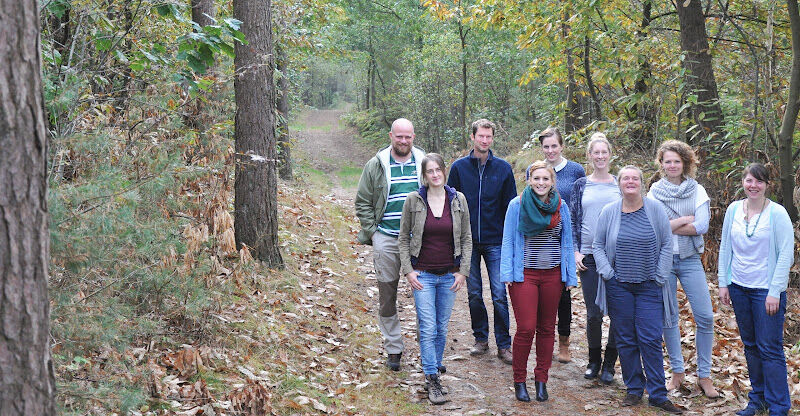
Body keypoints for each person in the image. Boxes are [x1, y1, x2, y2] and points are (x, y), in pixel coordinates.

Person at [593, 166, 683, 414]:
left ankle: (657, 394)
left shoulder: (655, 210)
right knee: (626, 338)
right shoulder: (609, 212)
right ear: (619, 184)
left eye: (635, 178)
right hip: (619, 286)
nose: (630, 182)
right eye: (625, 178)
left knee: (651, 339)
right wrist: (608, 274)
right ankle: (634, 389)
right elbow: (598, 245)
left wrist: (660, 276)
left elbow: (666, 243)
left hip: (649, 286)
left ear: (642, 183)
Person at [718, 163, 793, 416]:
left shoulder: (778, 213)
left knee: (769, 347)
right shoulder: (733, 210)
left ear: (767, 185)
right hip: (738, 287)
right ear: (743, 181)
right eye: (750, 180)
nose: (753, 186)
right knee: (750, 346)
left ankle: (779, 407)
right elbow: (725, 247)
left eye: (759, 181)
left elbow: (785, 255)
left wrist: (775, 291)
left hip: (766, 291)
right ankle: (757, 400)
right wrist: (723, 282)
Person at [397, 153, 472, 405]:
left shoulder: (458, 200)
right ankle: (432, 378)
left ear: (444, 171)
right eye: (430, 171)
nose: (435, 174)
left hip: (449, 275)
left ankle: (434, 364)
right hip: (424, 276)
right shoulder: (414, 200)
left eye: (438, 169)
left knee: (440, 327)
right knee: (428, 327)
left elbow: (466, 239)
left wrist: (462, 271)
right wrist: (408, 270)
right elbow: (403, 238)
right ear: (424, 175)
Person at [500, 160, 577, 402]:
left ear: (552, 182)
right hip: (525, 275)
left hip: (553, 274)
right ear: (529, 180)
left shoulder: (560, 206)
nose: (541, 183)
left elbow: (567, 241)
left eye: (546, 179)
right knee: (526, 328)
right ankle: (519, 380)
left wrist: (569, 275)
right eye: (536, 179)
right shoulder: (517, 204)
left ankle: (541, 380)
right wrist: (507, 274)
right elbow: (509, 240)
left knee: (546, 329)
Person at [647, 140, 718, 398]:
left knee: (706, 316)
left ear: (685, 163)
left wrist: (671, 223)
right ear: (662, 164)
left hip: (689, 260)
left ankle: (705, 375)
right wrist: (683, 220)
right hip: (663, 260)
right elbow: (654, 227)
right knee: (669, 317)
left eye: (677, 161)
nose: (673, 165)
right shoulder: (654, 190)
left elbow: (702, 226)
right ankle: (677, 371)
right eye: (668, 161)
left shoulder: (697, 190)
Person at [355, 118, 425, 371]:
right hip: (386, 238)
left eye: (408, 137)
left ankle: (427, 349)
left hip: (419, 241)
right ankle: (393, 348)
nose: (403, 141)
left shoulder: (424, 163)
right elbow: (362, 201)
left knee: (424, 295)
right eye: (399, 137)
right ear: (391, 136)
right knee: (387, 296)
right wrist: (373, 233)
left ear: (413, 137)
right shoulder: (376, 165)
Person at [448, 119, 517, 364]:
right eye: (481, 136)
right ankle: (480, 338)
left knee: (499, 293)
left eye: (489, 137)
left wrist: (511, 242)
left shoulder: (503, 168)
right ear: (473, 137)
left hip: (496, 240)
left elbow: (511, 207)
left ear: (492, 139)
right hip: (468, 241)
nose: (485, 140)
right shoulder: (459, 168)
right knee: (475, 293)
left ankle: (504, 344)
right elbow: (450, 204)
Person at [568, 133, 620, 384]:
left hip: (617, 257)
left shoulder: (620, 183)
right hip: (587, 256)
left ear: (610, 154)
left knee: (618, 312)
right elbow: (573, 220)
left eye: (604, 152)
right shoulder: (580, 185)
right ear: (589, 156)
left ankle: (610, 363)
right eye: (595, 153)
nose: (600, 157)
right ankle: (593, 361)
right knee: (594, 312)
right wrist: (576, 251)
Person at [537, 126, 585, 363]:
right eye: (546, 146)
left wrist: (577, 242)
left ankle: (564, 343)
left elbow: (580, 207)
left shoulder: (576, 170)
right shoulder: (536, 169)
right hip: (540, 238)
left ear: (561, 146)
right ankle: (543, 340)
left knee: (564, 293)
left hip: (565, 237)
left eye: (554, 145)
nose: (550, 150)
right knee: (541, 291)